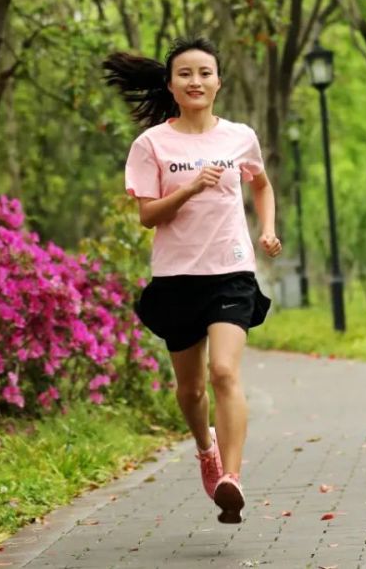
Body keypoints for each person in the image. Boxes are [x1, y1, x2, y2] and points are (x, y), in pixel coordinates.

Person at [103, 36, 281, 524]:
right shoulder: (151, 145)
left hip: (231, 272)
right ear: (170, 85)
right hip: (177, 278)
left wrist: (266, 229)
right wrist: (187, 189)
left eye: (205, 72)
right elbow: (147, 216)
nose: (195, 81)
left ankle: (232, 479)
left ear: (218, 81)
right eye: (185, 74)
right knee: (191, 391)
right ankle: (206, 450)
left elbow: (260, 184)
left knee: (224, 372)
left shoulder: (239, 137)